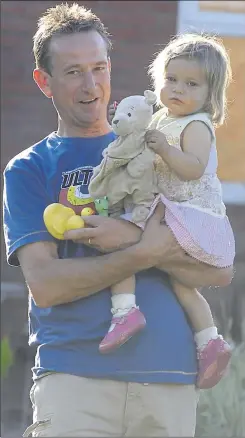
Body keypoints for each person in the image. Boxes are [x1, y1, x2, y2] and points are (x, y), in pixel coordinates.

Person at [2, 4, 233, 437]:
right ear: (43, 81)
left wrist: (132, 242)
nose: (91, 85)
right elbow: (47, 284)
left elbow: (218, 269)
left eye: (99, 67)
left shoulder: (161, 149)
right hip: (75, 383)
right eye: (73, 72)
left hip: (169, 381)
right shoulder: (29, 168)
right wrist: (146, 250)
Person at [103, 33, 235, 389]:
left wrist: (164, 150)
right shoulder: (164, 118)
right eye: (171, 80)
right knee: (182, 285)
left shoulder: (196, 125)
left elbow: (192, 167)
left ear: (210, 94)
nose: (177, 89)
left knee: (123, 240)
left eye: (191, 84)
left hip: (189, 212)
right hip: (169, 208)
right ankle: (209, 340)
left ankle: (125, 311)